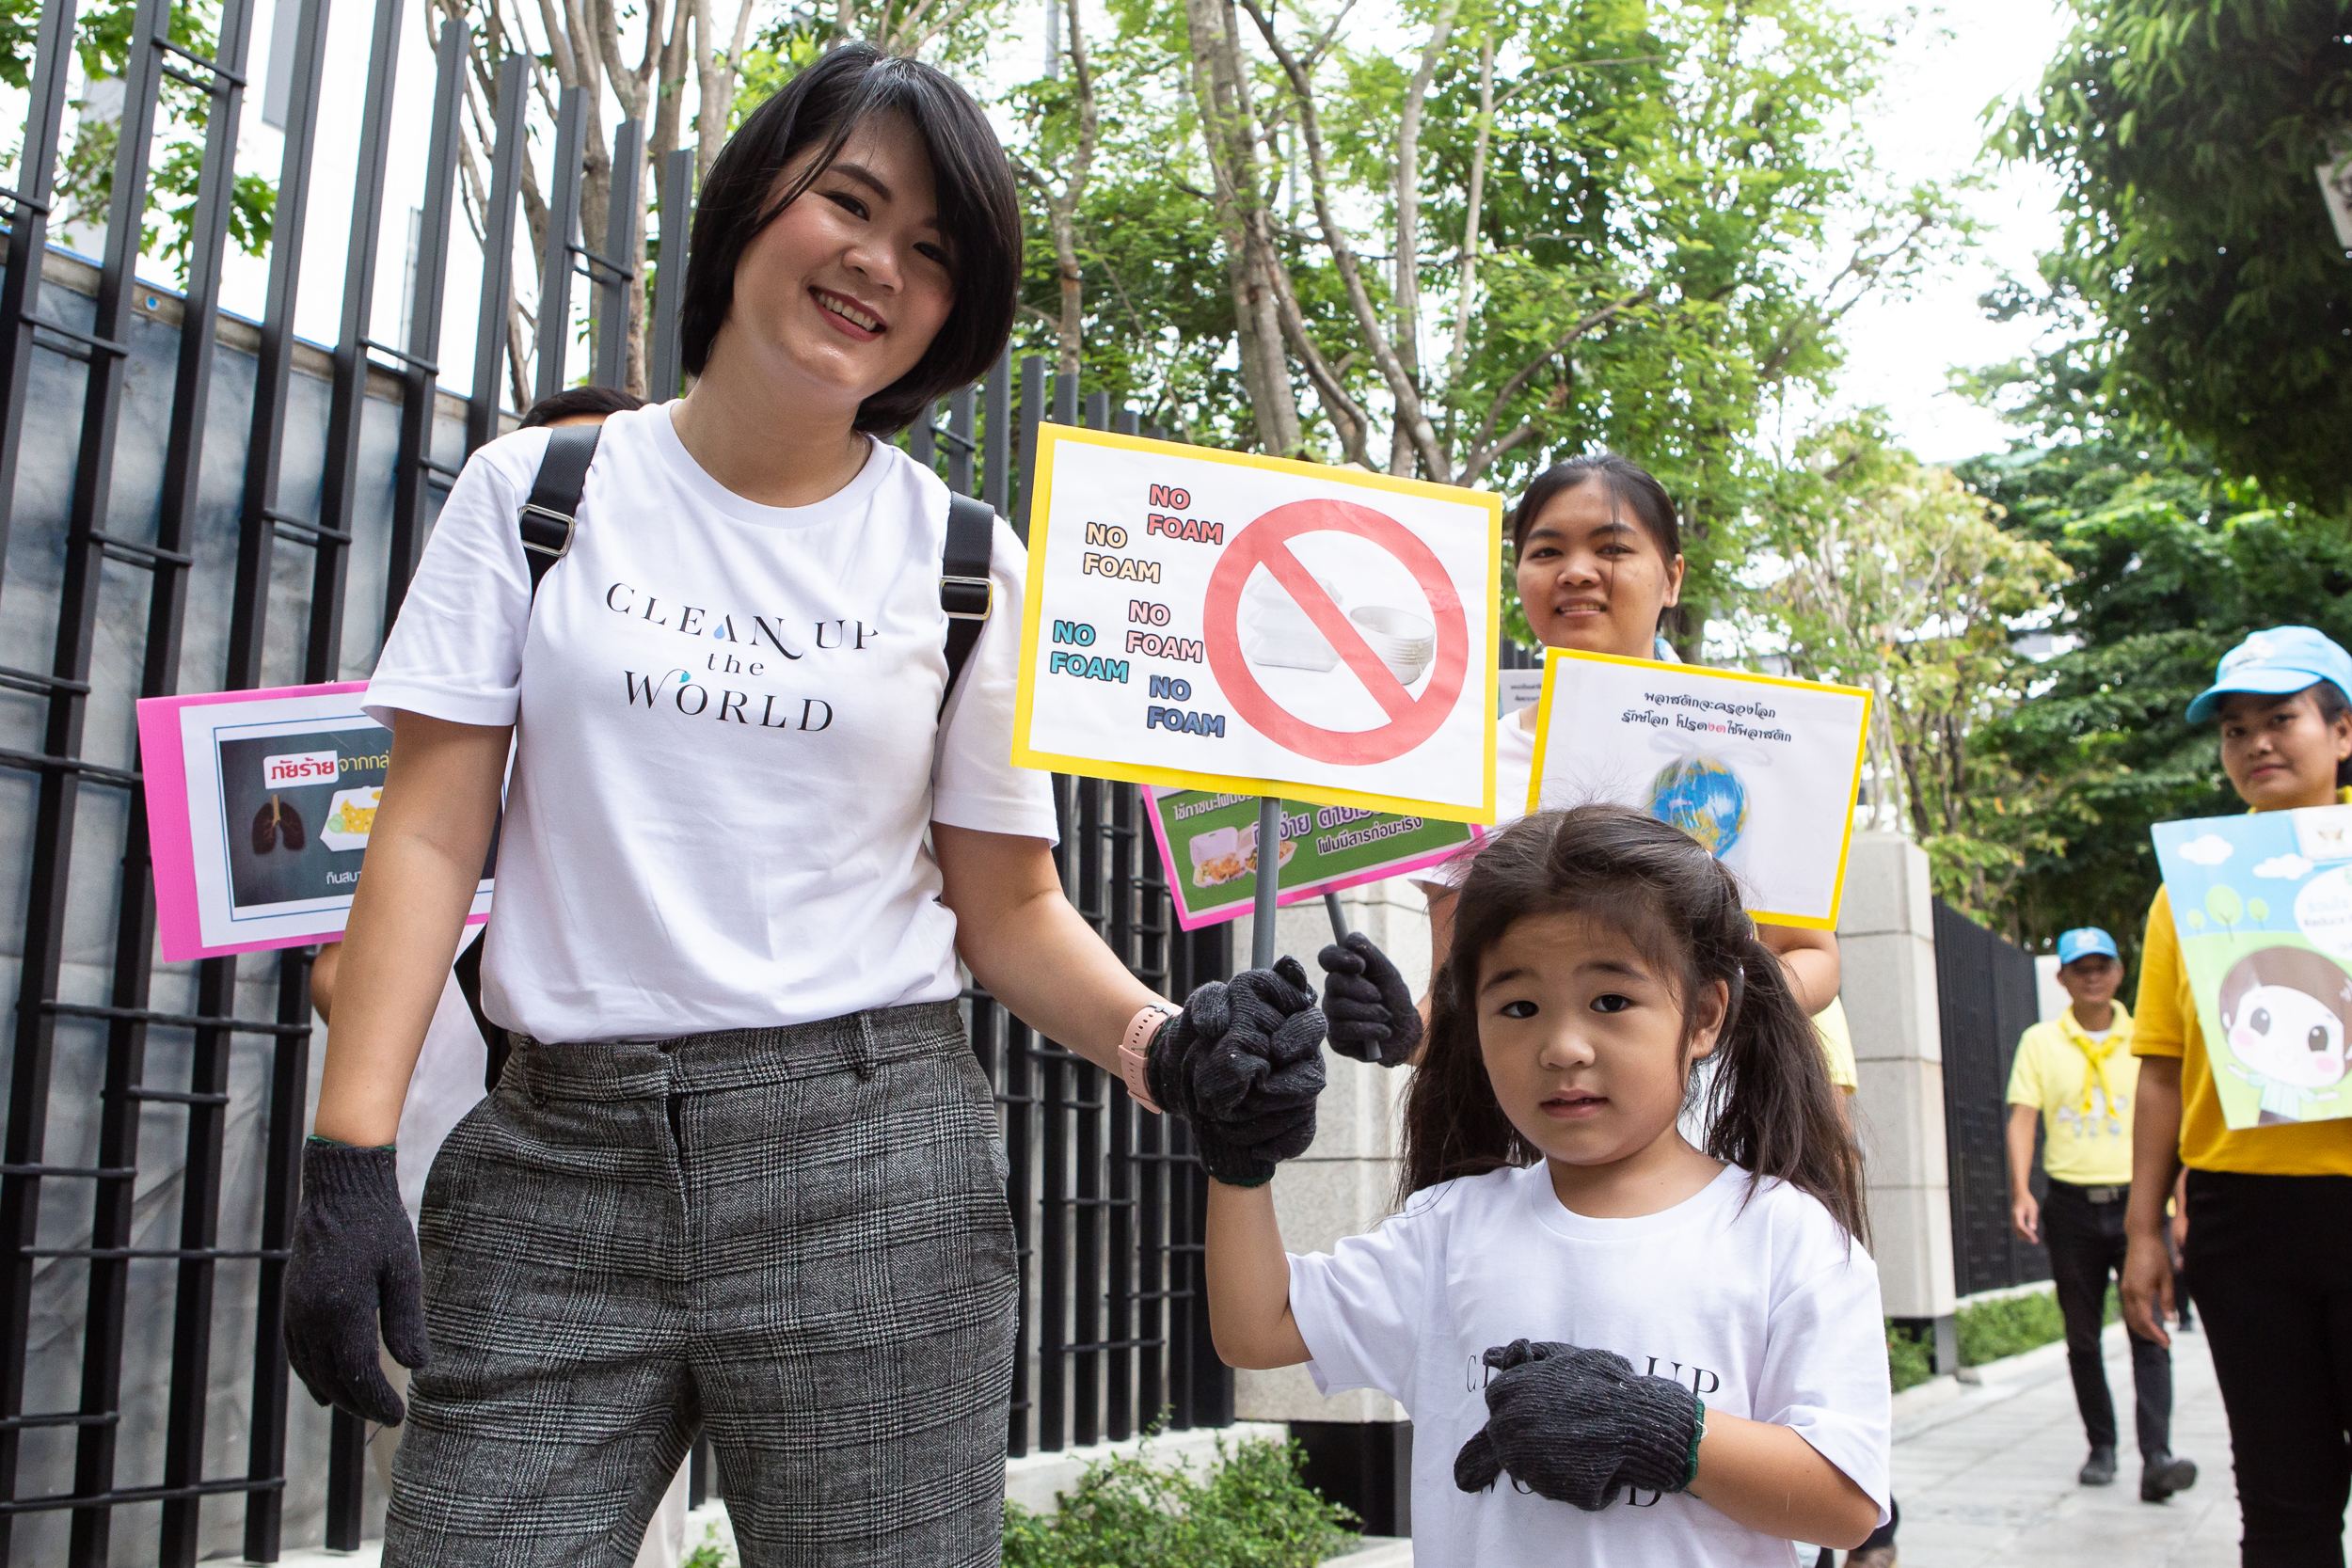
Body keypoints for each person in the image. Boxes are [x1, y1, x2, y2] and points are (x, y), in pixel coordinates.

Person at [279, 44, 1319, 1567]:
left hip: (876, 1167)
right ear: (754, 198)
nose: (881, 265)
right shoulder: (537, 493)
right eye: (852, 202)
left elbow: (1010, 908)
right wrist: (349, 1155)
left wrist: (1162, 1043)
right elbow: (429, 831)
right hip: (556, 1160)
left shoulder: (966, 563)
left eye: (934, 252)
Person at [1207, 805, 1890, 1567]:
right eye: (1519, 1007)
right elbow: (1256, 1327)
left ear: (1703, 1016)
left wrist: (1662, 1429)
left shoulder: (1784, 1235)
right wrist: (1241, 1159)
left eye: (1611, 1001)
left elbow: (1848, 1503)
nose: (1563, 1047)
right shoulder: (1450, 1228)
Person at [305, 386, 699, 1568]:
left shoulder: (677, 755)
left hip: (629, 1209)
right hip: (432, 1197)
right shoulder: (417, 747)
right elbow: (343, 980)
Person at [2122, 626, 2352, 1567]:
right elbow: (2161, 1068)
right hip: (2240, 1220)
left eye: (2281, 719)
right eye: (2234, 729)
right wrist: (2143, 1229)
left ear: (2342, 731)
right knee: (2283, 1500)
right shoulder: (2188, 887)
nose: (2256, 742)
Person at [2006, 927, 2198, 1499]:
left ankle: (2157, 1457)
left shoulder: (2146, 1036)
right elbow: (2023, 1118)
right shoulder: (2041, 1041)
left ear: (2119, 972)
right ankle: (2102, 1446)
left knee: (2150, 1327)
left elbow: (2178, 1119)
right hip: (2071, 1207)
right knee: (2083, 1337)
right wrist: (2021, 1190)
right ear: (2062, 977)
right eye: (2080, 968)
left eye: (2102, 965)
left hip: (2140, 1202)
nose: (2092, 976)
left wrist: (2179, 1204)